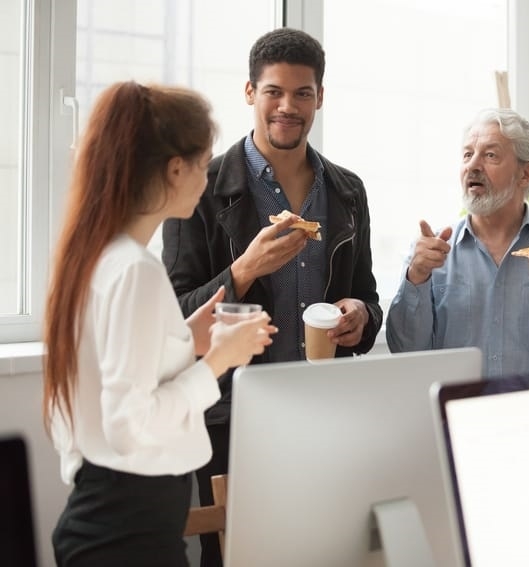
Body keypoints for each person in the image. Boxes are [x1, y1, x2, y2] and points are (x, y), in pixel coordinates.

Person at [161, 27, 382, 566]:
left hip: (325, 412)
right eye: (273, 92)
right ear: (249, 94)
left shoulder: (348, 192)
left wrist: (361, 315)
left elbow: (368, 299)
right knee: (233, 556)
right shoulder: (201, 187)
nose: (288, 106)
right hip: (230, 416)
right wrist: (242, 270)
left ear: (320, 98)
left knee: (325, 551)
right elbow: (173, 319)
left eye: (302, 93)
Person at [43, 81, 277, 567]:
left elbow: (111, 379)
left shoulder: (100, 256)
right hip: (128, 531)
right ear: (175, 169)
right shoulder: (135, 270)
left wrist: (182, 339)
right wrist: (217, 362)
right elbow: (130, 424)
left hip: (110, 517)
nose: (207, 180)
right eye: (203, 165)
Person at [386, 107, 529, 377]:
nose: (473, 165)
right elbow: (405, 354)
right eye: (468, 154)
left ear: (526, 174)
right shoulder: (430, 254)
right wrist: (417, 277)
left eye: (490, 155)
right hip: (458, 415)